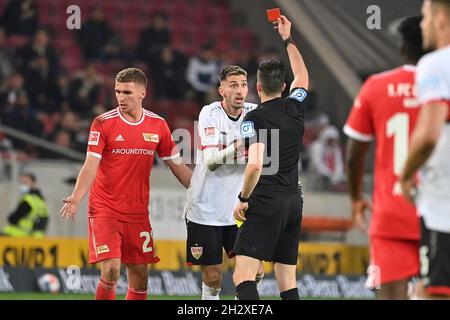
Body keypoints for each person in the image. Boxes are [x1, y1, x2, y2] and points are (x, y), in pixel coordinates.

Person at [60, 68, 192, 300]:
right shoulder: (103, 123)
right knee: (111, 270)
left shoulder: (158, 125)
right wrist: (76, 197)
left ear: (142, 93)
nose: (121, 97)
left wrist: (201, 191)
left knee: (140, 276)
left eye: (127, 92)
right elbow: (90, 164)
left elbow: (177, 166)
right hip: (105, 209)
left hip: (137, 213)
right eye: (117, 91)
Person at [344, 16, 425, 300]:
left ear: (402, 48)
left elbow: (355, 155)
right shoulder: (444, 87)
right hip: (438, 211)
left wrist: (355, 197)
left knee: (390, 296)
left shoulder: (376, 86)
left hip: (391, 212)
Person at [232, 15, 308, 300]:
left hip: (266, 199)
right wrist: (288, 39)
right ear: (285, 87)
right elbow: (303, 75)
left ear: (257, 87)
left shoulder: (254, 118)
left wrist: (242, 198)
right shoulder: (294, 109)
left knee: (243, 275)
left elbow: (255, 164)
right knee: (287, 278)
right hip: (293, 200)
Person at [184, 65, 263, 300]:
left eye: (243, 85)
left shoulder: (255, 112)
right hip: (205, 208)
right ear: (222, 90)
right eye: (233, 85)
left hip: (238, 209)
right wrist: (240, 146)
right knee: (213, 278)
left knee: (255, 273)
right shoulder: (210, 113)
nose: (240, 91)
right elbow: (210, 161)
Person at [400, 0, 450, 299]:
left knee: (436, 291)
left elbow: (429, 134)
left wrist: (406, 175)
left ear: (441, 19)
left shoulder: (435, 63)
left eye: (427, 16)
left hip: (442, 206)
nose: (423, 24)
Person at [1, 173, 48, 237]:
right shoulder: (40, 200)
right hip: (35, 236)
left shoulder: (28, 200)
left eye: (25, 182)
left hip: (20, 235)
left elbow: (13, 219)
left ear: (34, 183)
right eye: (21, 182)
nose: (22, 185)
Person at [310, 125, 345, 191]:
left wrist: (337, 174)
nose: (331, 142)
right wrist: (330, 174)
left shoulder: (336, 149)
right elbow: (318, 165)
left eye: (333, 140)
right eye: (330, 139)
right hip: (319, 174)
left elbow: (339, 163)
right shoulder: (317, 147)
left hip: (333, 175)